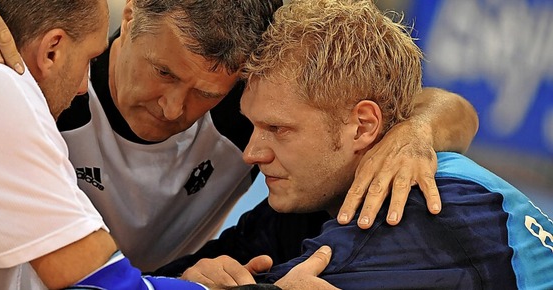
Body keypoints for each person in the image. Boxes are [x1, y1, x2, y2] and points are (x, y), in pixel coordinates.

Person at [0, 0, 480, 273]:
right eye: (163, 72)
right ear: (130, 17)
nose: (174, 107)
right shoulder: (45, 82)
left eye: (205, 93)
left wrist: (414, 131)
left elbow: (449, 106)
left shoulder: (248, 108)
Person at [180, 0, 553, 289]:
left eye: (278, 128)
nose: (251, 153)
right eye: (254, 125)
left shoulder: (412, 212)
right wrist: (192, 276)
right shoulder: (315, 196)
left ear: (362, 127)